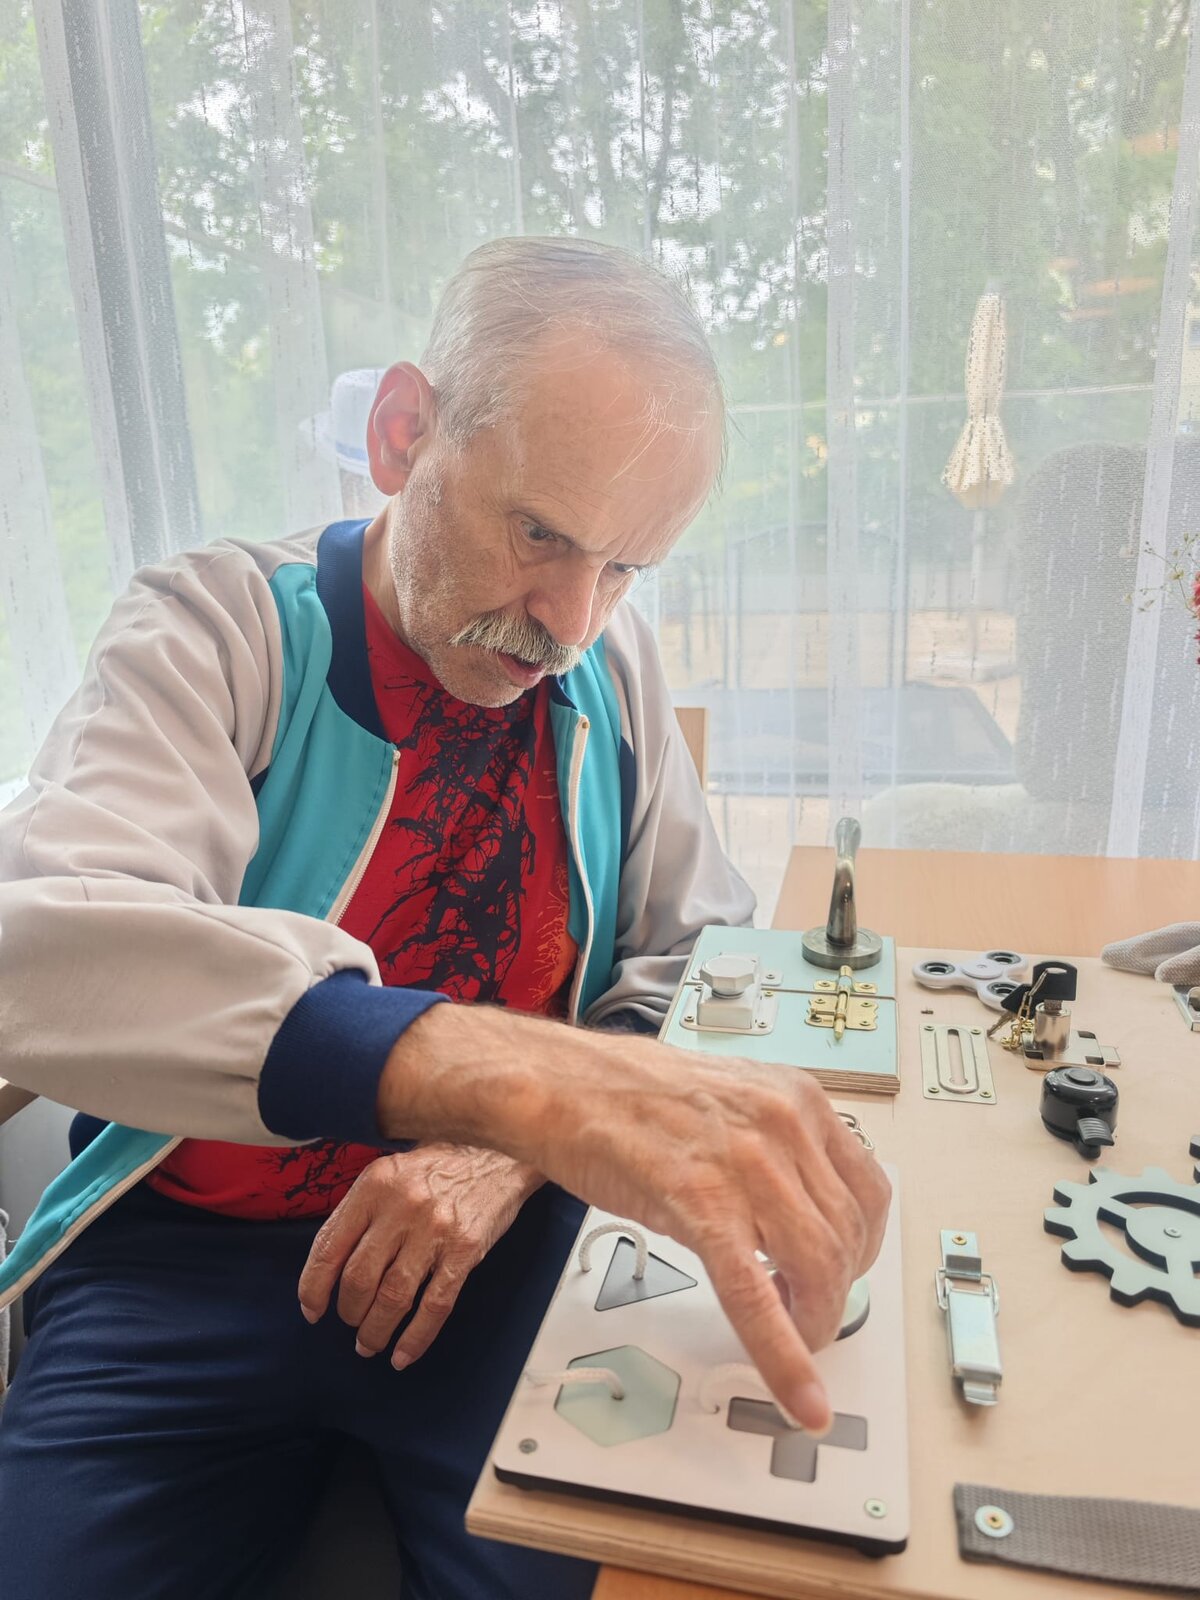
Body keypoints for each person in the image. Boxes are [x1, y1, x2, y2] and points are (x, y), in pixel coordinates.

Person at [0, 237, 889, 1600]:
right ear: (403, 432)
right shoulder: (218, 629)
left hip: (500, 1259)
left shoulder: (608, 668)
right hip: (183, 1261)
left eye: (624, 568)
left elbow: (692, 954)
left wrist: (506, 1154)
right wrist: (506, 1082)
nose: (570, 620)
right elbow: (46, 951)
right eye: (539, 535)